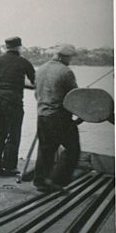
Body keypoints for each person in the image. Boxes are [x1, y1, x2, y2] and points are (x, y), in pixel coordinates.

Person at [0, 36, 35, 176]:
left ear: (7, 47)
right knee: (13, 134)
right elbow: (35, 81)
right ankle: (10, 166)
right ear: (19, 47)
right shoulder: (23, 62)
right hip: (13, 103)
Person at [32, 44, 80, 192]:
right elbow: (74, 96)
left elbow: (36, 94)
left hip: (42, 115)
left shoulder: (40, 69)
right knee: (73, 149)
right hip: (59, 117)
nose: (70, 60)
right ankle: (57, 181)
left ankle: (40, 181)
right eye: (69, 58)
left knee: (46, 149)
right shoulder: (66, 72)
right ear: (62, 57)